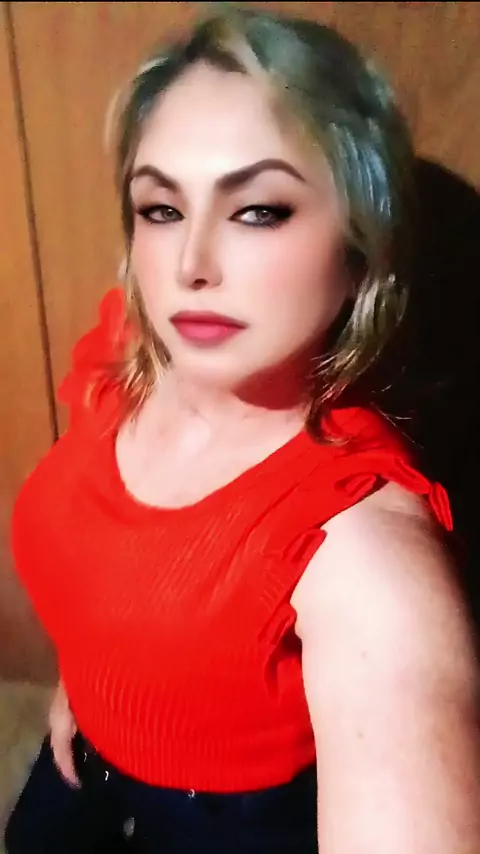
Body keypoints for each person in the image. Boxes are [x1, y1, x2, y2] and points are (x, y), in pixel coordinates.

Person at [5, 6, 480, 854]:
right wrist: (97, 679)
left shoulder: (365, 558)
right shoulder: (126, 355)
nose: (191, 264)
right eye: (160, 209)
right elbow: (108, 557)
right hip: (80, 768)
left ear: (360, 249)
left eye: (258, 210)